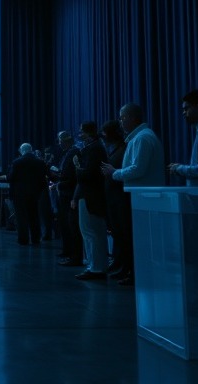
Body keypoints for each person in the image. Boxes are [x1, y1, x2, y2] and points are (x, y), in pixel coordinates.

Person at [101, 103, 165, 286]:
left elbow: (138, 169)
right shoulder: (139, 137)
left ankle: (136, 272)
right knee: (133, 237)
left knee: (137, 239)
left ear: (131, 118)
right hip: (139, 197)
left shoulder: (142, 138)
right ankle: (131, 270)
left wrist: (115, 173)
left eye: (122, 118)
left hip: (142, 197)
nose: (120, 122)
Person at [72, 122, 109, 280]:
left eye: (81, 132)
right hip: (94, 195)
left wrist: (77, 166)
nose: (80, 135)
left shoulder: (92, 149)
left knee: (90, 232)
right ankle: (97, 265)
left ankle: (95, 267)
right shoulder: (98, 147)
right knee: (95, 232)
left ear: (88, 133)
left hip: (90, 196)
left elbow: (86, 175)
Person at [101, 119, 129, 279]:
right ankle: (119, 264)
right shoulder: (116, 149)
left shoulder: (123, 148)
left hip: (120, 198)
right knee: (118, 233)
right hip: (114, 198)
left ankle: (123, 266)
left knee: (123, 233)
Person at [5, 143, 48, 246]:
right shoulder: (40, 162)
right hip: (35, 194)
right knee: (34, 216)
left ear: (21, 150)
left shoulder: (17, 162)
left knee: (21, 217)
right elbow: (43, 179)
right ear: (31, 150)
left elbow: (10, 178)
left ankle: (23, 239)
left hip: (19, 194)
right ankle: (35, 238)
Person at [54, 131, 82, 266]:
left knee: (71, 226)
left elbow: (72, 176)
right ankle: (68, 251)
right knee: (65, 224)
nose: (59, 143)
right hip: (65, 193)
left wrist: (60, 183)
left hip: (68, 194)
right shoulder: (68, 153)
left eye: (60, 140)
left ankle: (73, 254)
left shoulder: (73, 153)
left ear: (66, 140)